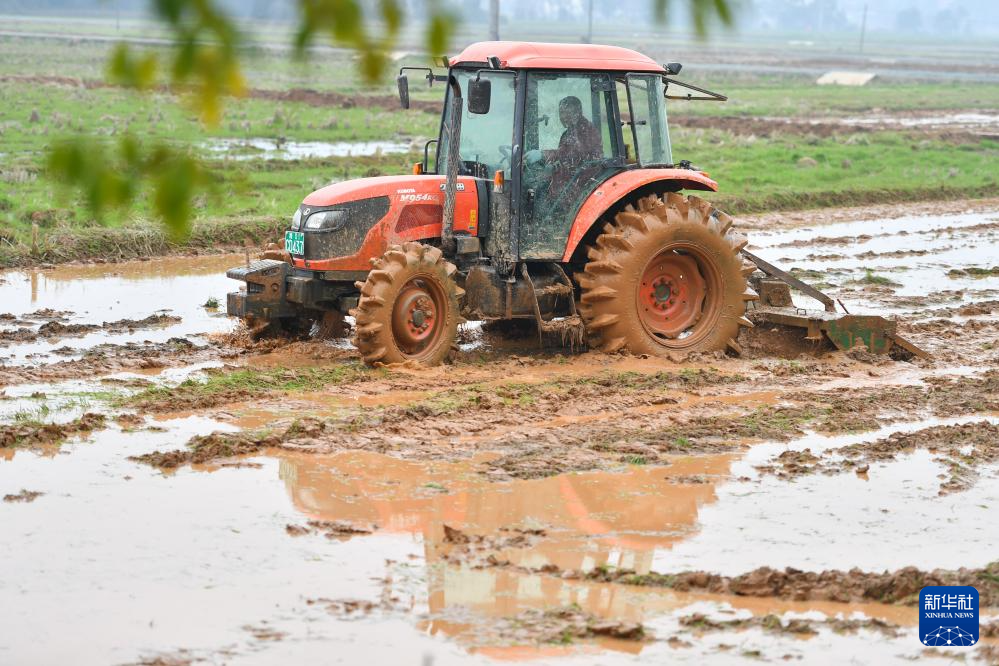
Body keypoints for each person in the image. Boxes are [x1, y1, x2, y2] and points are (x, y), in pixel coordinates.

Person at [526, 96, 602, 199]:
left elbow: (571, 155)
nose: (561, 117)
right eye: (560, 112)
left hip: (582, 184)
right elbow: (564, 159)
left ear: (576, 113)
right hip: (570, 180)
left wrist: (542, 154)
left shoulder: (585, 131)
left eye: (564, 113)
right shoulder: (569, 132)